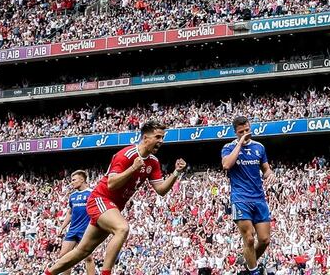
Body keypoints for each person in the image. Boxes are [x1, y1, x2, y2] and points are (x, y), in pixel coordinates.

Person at [43, 120, 186, 275]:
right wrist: (133, 168)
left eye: (162, 137)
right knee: (122, 228)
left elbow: (161, 190)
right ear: (145, 138)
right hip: (100, 199)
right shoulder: (125, 155)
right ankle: (106, 273)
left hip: (112, 207)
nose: (161, 141)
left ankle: (46, 273)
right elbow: (111, 184)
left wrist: (176, 173)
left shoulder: (153, 162)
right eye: (157, 137)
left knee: (83, 251)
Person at [221, 115, 276, 275]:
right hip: (240, 198)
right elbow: (226, 165)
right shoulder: (228, 148)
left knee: (265, 240)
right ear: (235, 132)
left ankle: (248, 265)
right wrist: (240, 143)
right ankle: (254, 272)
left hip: (258, 198)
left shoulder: (259, 147)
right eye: (241, 132)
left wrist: (269, 173)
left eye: (247, 130)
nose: (245, 133)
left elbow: (265, 168)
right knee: (249, 238)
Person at [56, 170, 95, 275]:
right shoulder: (72, 196)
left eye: (74, 180)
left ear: (82, 180)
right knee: (63, 256)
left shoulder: (91, 193)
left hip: (86, 230)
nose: (71, 182)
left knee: (88, 257)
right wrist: (62, 227)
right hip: (73, 229)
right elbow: (70, 212)